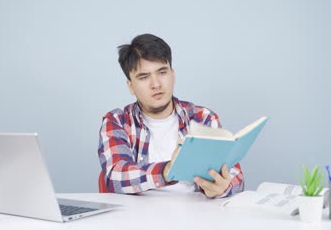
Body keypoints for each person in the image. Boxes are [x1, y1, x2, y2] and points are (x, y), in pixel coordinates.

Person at [98, 34, 244, 198]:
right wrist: (167, 171)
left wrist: (223, 187)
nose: (156, 84)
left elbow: (236, 176)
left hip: (198, 216)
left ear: (172, 75)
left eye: (162, 72)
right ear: (130, 86)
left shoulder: (203, 118)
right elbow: (115, 176)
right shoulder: (117, 121)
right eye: (144, 77)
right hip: (136, 218)